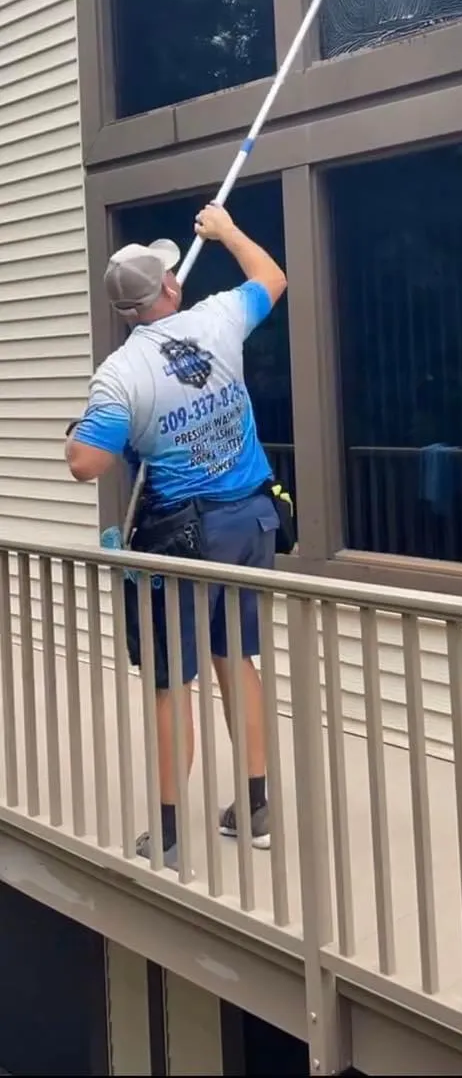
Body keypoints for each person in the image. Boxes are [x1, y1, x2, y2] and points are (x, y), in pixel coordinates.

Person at [65, 204, 287, 868]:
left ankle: (165, 836)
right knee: (235, 657)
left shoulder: (120, 376)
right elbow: (271, 277)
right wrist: (226, 231)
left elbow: (86, 465)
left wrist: (77, 437)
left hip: (182, 541)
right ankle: (256, 807)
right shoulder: (218, 319)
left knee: (171, 681)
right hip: (252, 521)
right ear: (168, 287)